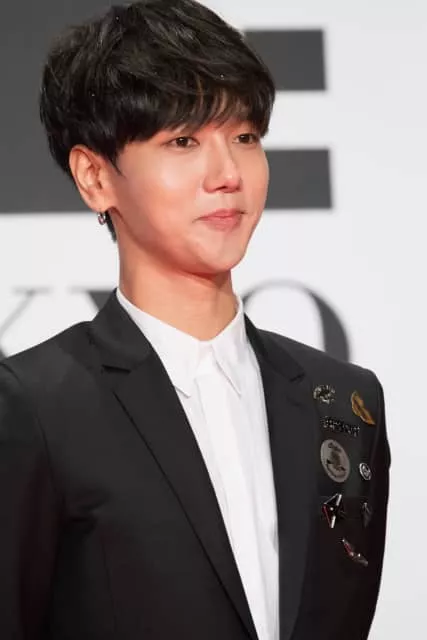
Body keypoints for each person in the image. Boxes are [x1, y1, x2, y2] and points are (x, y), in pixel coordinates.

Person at [0, 1, 390, 639]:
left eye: (245, 137)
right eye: (183, 141)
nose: (228, 174)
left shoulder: (347, 402)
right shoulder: (33, 407)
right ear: (95, 177)